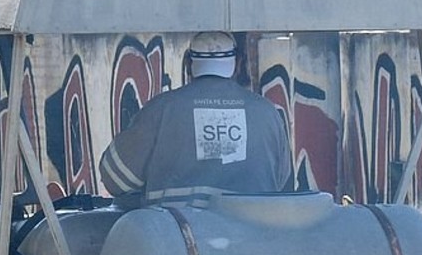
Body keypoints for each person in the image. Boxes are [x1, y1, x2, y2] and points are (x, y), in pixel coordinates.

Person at [100, 31, 294, 208]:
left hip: (177, 240)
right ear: (238, 63)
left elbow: (115, 179)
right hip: (251, 241)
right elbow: (283, 183)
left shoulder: (161, 109)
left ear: (188, 64)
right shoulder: (267, 113)